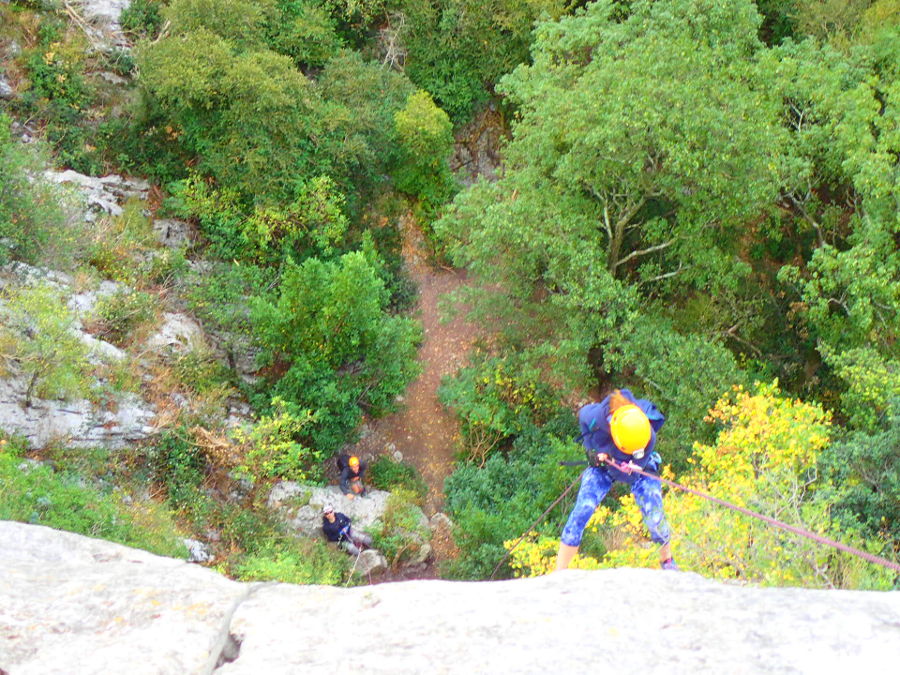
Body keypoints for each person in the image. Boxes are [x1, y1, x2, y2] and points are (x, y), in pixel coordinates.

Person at [556, 388, 678, 571]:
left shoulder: (645, 430)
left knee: (655, 516)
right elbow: (583, 421)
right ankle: (560, 570)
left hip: (640, 467)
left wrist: (637, 464)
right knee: (582, 510)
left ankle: (667, 561)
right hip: (605, 464)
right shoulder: (594, 417)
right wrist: (593, 451)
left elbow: (645, 451)